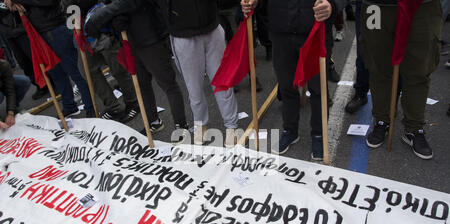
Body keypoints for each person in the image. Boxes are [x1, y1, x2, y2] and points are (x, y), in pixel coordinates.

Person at [242, 0, 345, 161]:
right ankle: (289, 130)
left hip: (315, 31)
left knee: (317, 88)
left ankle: (319, 134)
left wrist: (332, 5)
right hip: (281, 32)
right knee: (286, 85)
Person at [84, 0, 190, 143]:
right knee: (142, 85)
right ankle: (153, 121)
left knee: (168, 84)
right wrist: (113, 22)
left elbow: (127, 4)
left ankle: (181, 126)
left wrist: (102, 16)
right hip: (132, 42)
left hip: (152, 40)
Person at [361, 0, 442, 160]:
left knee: (418, 69)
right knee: (379, 67)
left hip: (422, 6)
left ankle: (414, 127)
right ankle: (382, 120)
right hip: (377, 5)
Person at [162, 0, 240, 147]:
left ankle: (231, 126)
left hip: (211, 27)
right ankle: (201, 124)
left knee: (222, 82)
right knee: (194, 87)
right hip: (183, 34)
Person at [5, 0, 95, 118]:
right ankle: (69, 105)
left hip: (55, 28)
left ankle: (90, 106)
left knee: (75, 71)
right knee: (56, 73)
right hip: (40, 34)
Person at [67, 0, 139, 123]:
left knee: (117, 66)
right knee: (87, 70)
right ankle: (114, 107)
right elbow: (68, 10)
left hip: (103, 22)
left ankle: (133, 102)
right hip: (82, 26)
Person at [0, 3, 49, 101]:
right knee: (23, 62)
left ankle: (51, 82)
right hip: (8, 33)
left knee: (35, 57)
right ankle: (40, 85)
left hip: (22, 28)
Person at [0, 58, 30, 129]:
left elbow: (10, 90)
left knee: (24, 81)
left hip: (2, 83)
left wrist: (10, 113)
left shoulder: (3, 65)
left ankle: (13, 107)